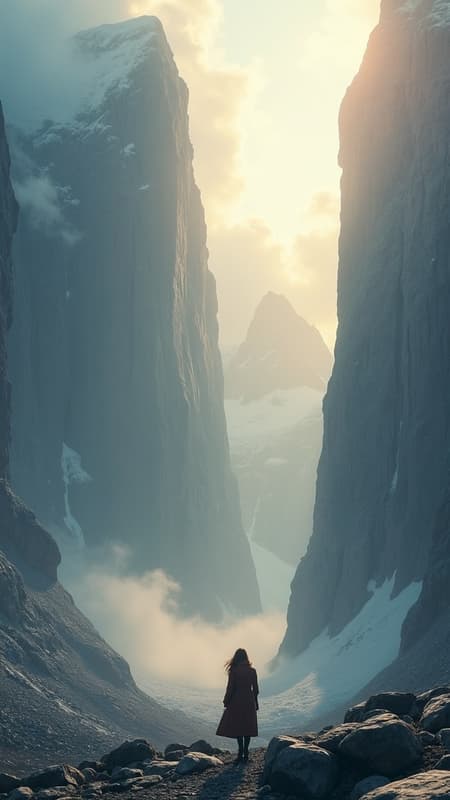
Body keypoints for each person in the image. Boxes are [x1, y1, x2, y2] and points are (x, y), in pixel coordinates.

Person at [216, 648, 259, 763]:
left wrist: (226, 701)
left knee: (239, 726)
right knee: (248, 726)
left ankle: (240, 753)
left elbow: (230, 688)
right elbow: (256, 689)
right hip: (249, 700)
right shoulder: (252, 671)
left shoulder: (234, 671)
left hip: (237, 700)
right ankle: (246, 753)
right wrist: (256, 702)